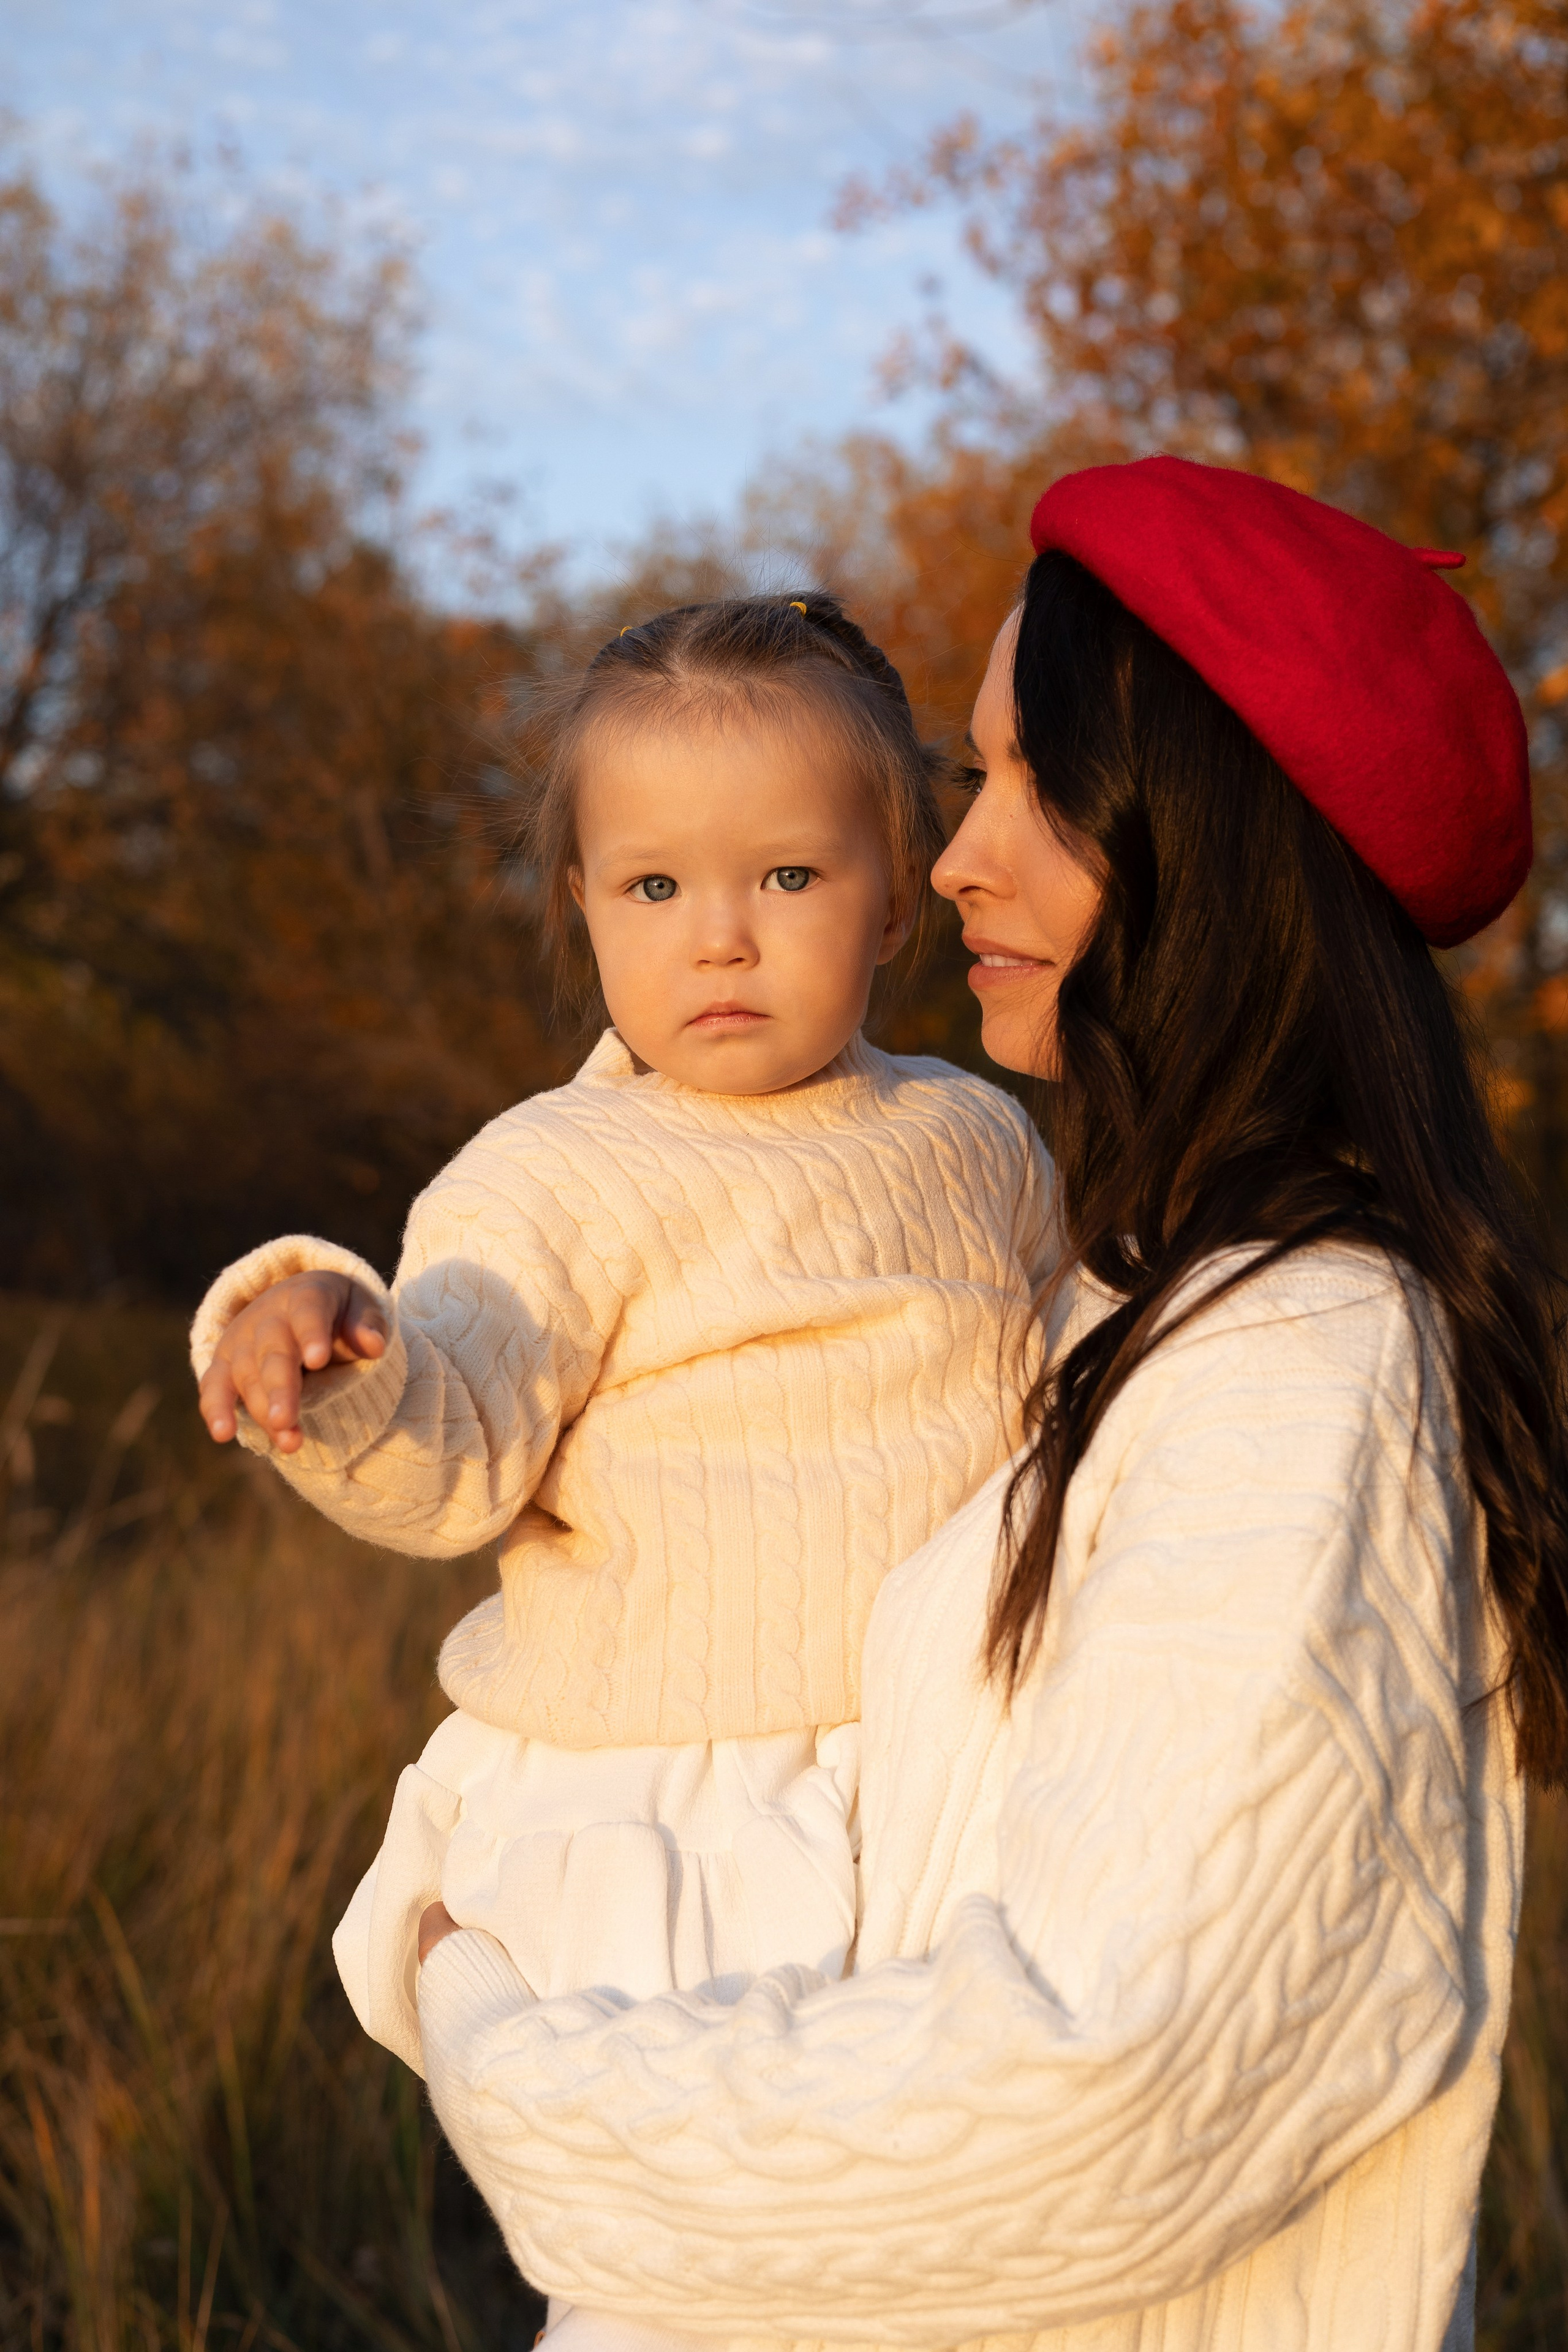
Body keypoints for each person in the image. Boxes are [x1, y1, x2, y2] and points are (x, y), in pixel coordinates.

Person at [411, 459, 1568, 2352]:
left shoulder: (1309, 1362)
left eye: (1035, 782)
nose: (953, 859)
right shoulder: (1122, 1294)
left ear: (1207, 835)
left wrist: (511, 2051)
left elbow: (1102, 2089)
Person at [189, 593, 1061, 2352]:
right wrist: (341, 1355)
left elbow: (1060, 1381)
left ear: (894, 892)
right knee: (684, 2273)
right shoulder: (561, 1173)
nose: (720, 940)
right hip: (661, 1804)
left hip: (939, 1771)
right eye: (654, 888)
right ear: (581, 906)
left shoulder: (975, 1138)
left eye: (789, 881)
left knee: (926, 2264)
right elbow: (458, 1424)